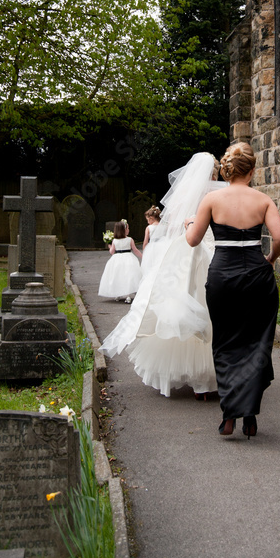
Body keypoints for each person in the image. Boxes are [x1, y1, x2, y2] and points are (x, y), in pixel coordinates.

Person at [185, 142, 280, 438]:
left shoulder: (212, 200)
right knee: (257, 344)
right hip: (257, 277)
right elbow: (279, 238)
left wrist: (188, 223)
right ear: (252, 171)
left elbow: (192, 240)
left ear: (227, 169)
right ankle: (250, 416)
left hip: (223, 278)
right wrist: (269, 260)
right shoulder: (263, 200)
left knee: (227, 342)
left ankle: (230, 415)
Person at [101, 152, 223, 397]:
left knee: (181, 305)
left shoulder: (187, 194)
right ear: (214, 172)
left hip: (182, 253)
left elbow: (174, 226)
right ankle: (207, 380)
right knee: (208, 307)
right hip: (207, 249)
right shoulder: (217, 195)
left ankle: (191, 376)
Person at [98, 220, 142, 302]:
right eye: (128, 228)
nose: (129, 229)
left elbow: (112, 252)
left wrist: (109, 246)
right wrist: (142, 256)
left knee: (118, 276)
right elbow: (135, 250)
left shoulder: (114, 240)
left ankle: (117, 294)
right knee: (128, 276)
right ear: (124, 230)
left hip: (117, 259)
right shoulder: (129, 239)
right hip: (129, 258)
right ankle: (128, 295)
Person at [140, 205, 162, 274]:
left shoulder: (149, 227)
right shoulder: (164, 226)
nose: (148, 222)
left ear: (151, 218)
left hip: (153, 248)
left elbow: (145, 242)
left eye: (148, 220)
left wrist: (144, 252)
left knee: (152, 264)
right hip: (163, 246)